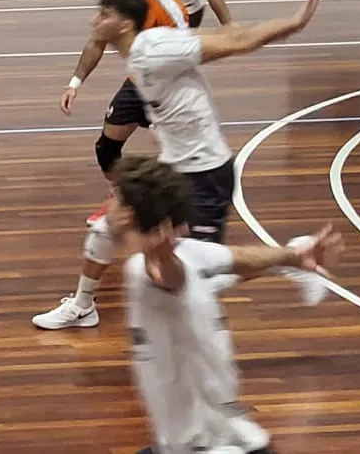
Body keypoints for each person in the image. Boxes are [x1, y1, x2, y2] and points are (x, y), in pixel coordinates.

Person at [110, 155, 342, 454]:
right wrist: (293, 255)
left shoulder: (149, 270)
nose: (108, 205)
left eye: (112, 197)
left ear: (127, 214)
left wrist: (163, 259)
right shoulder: (188, 251)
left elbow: (170, 279)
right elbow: (239, 258)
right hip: (221, 438)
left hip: (208, 447)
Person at [34, 0, 194, 331]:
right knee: (107, 147)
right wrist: (75, 82)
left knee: (175, 194)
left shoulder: (170, 8)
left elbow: (193, 52)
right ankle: (118, 201)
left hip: (168, 95)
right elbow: (96, 42)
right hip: (135, 85)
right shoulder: (121, 6)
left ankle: (174, 285)